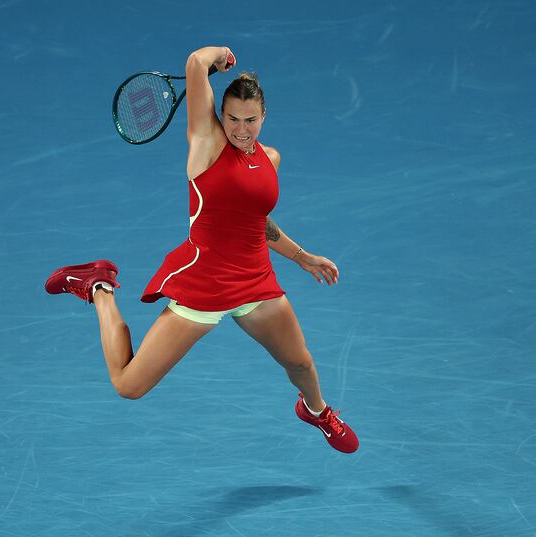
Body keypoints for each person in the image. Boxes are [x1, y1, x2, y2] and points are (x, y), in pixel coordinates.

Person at [45, 46, 359, 453]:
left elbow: (256, 222)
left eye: (250, 120)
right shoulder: (206, 143)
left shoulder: (270, 158)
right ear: (219, 116)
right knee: (128, 384)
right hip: (205, 284)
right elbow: (196, 63)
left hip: (255, 282)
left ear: (264, 117)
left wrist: (302, 257)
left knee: (300, 362)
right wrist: (220, 56)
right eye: (231, 118)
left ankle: (316, 411)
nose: (241, 129)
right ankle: (98, 287)